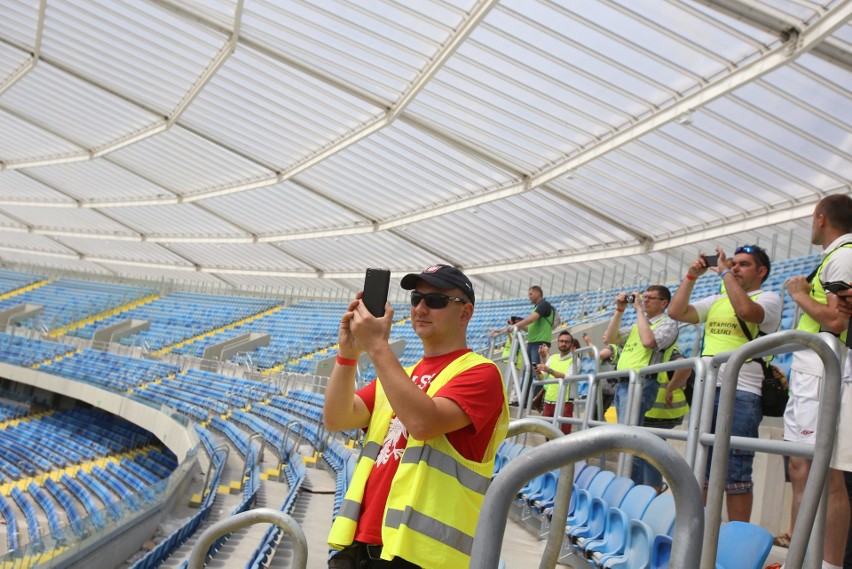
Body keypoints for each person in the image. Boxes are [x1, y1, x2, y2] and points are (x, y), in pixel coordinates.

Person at [324, 264, 509, 569]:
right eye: (415, 299)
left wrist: (377, 345)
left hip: (420, 558)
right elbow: (337, 418)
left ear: (465, 313)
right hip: (361, 546)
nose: (421, 308)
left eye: (435, 301)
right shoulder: (401, 376)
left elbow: (424, 423)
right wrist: (348, 355)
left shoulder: (481, 373)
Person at [668, 245, 782, 523]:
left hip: (742, 392)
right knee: (700, 467)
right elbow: (676, 312)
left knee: (737, 469)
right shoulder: (718, 299)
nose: (735, 268)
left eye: (743, 264)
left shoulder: (769, 297)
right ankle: (699, 534)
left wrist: (724, 275)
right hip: (708, 390)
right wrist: (691, 277)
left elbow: (746, 311)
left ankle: (735, 543)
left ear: (761, 271)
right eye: (734, 264)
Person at [785, 195, 852, 569]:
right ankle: (799, 556)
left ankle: (827, 564)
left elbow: (835, 320)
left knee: (826, 474)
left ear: (821, 218)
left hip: (823, 371)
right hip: (809, 372)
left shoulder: (843, 255)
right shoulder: (834, 256)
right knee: (801, 468)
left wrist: (797, 294)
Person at [603, 285, 678, 485]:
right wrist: (619, 310)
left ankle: (631, 486)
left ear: (664, 303)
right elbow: (609, 338)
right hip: (624, 384)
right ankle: (633, 485)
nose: (645, 301)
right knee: (627, 438)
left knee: (631, 440)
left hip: (642, 384)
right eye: (645, 298)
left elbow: (648, 342)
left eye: (651, 298)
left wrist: (637, 310)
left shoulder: (667, 323)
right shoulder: (638, 325)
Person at [491, 286, 556, 409]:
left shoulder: (544, 304)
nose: (529, 296)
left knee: (536, 371)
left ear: (538, 293)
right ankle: (523, 400)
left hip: (540, 342)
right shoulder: (536, 308)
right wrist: (507, 328)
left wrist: (516, 325)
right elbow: (529, 327)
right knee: (528, 372)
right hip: (532, 342)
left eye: (531, 294)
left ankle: (534, 400)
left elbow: (532, 319)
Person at [533, 330, 576, 435]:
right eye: (561, 341)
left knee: (563, 435)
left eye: (566, 341)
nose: (563, 344)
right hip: (549, 401)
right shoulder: (552, 358)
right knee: (548, 435)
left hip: (565, 402)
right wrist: (538, 372)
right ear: (557, 343)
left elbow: (568, 377)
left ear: (571, 344)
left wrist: (548, 370)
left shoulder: (575, 360)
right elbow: (543, 378)